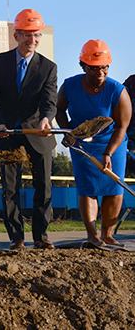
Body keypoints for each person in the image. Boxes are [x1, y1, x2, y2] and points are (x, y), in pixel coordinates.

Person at [0, 8, 57, 250]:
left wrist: (46, 120)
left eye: (37, 35)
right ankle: (16, 237)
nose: (32, 40)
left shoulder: (48, 68)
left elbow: (49, 101)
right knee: (10, 189)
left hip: (37, 134)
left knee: (43, 188)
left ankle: (41, 236)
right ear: (16, 35)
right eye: (27, 35)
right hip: (8, 135)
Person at [56, 40, 131, 247]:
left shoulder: (117, 91)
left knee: (113, 187)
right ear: (83, 66)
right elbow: (59, 110)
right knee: (87, 187)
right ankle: (92, 236)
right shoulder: (70, 86)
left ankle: (108, 235)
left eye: (105, 68)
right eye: (95, 68)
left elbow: (121, 126)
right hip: (81, 143)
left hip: (111, 143)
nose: (100, 73)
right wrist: (68, 131)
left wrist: (108, 153)